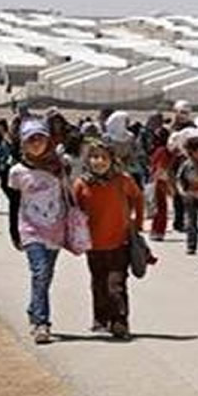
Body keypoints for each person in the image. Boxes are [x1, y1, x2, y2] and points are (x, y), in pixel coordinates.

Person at [73, 138, 143, 339]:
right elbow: (74, 211)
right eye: (95, 157)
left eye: (104, 157)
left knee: (116, 284)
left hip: (119, 242)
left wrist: (137, 223)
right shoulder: (82, 183)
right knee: (99, 283)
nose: (99, 162)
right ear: (88, 160)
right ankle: (101, 319)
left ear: (112, 160)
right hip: (93, 244)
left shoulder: (122, 180)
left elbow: (137, 197)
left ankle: (120, 321)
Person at [8, 119, 68, 345]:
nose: (36, 144)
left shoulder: (60, 166)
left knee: (46, 276)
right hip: (30, 229)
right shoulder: (17, 172)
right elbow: (14, 203)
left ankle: (34, 309)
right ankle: (41, 323)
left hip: (55, 228)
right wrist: (14, 231)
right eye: (30, 140)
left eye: (40, 138)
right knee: (40, 272)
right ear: (23, 143)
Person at [168, 100, 196, 232]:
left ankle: (187, 221)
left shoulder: (192, 128)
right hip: (174, 164)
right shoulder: (172, 127)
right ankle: (179, 221)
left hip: (187, 164)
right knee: (176, 194)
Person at [149, 127, 175, 241]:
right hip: (160, 182)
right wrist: (169, 186)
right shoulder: (163, 151)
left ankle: (155, 230)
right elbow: (161, 169)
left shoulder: (157, 150)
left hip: (155, 181)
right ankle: (158, 231)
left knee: (158, 208)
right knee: (161, 208)